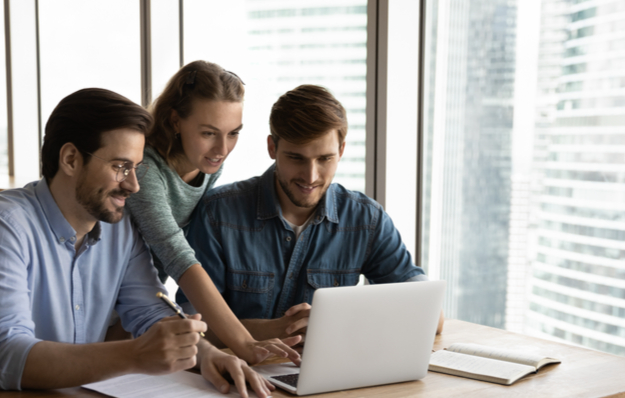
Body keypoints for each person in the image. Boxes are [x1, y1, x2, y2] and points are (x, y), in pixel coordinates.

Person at [0, 88, 271, 398]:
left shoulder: (119, 230)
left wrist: (207, 353)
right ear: (71, 159)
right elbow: (3, 357)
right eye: (121, 167)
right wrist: (133, 354)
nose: (133, 185)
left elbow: (149, 312)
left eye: (136, 168)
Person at [178, 85, 444, 346]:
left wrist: (339, 323)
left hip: (332, 377)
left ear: (341, 151)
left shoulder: (366, 219)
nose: (311, 176)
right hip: (240, 379)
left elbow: (433, 317)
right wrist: (278, 330)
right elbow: (193, 326)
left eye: (325, 159)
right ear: (272, 148)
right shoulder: (218, 213)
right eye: (296, 158)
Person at [125, 61, 299, 364]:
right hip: (111, 303)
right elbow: (178, 256)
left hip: (141, 304)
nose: (222, 148)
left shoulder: (207, 165)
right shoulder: (147, 170)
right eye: (208, 133)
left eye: (233, 133)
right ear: (175, 121)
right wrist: (244, 343)